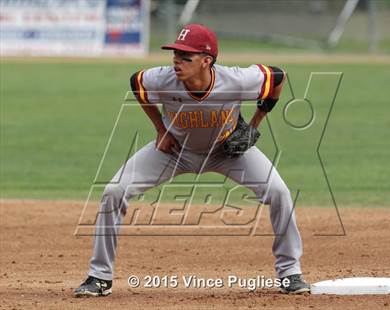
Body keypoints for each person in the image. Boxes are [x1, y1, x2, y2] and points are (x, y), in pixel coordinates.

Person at [74, 24, 310, 297]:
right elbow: (136, 83)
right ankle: (99, 277)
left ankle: (290, 273)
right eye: (175, 54)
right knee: (113, 191)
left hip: (227, 151)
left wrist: (253, 126)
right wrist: (160, 130)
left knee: (279, 191)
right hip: (175, 152)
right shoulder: (162, 79)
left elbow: (277, 78)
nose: (176, 61)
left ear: (206, 61)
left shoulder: (237, 80)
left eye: (186, 57)